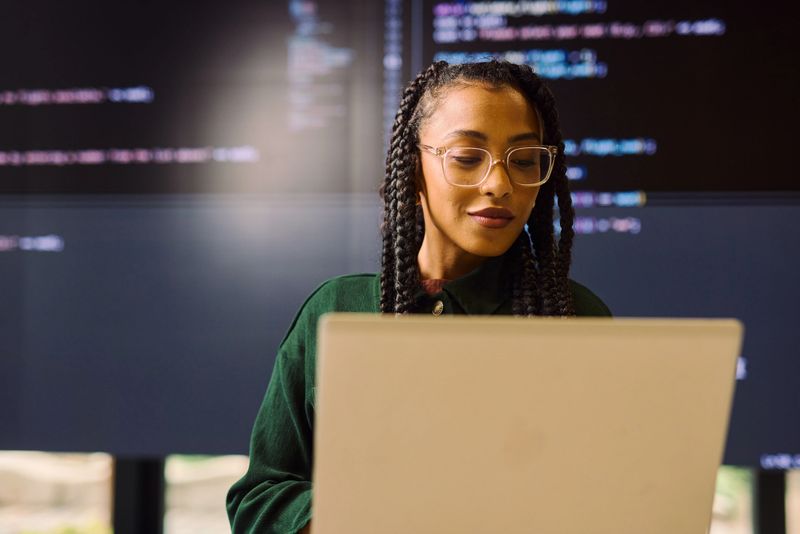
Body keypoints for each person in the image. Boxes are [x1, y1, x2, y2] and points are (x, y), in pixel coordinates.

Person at [226, 60, 610, 533]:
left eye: (525, 161)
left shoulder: (575, 319)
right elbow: (258, 502)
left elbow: (610, 500)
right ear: (414, 171)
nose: (499, 185)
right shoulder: (335, 310)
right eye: (468, 157)